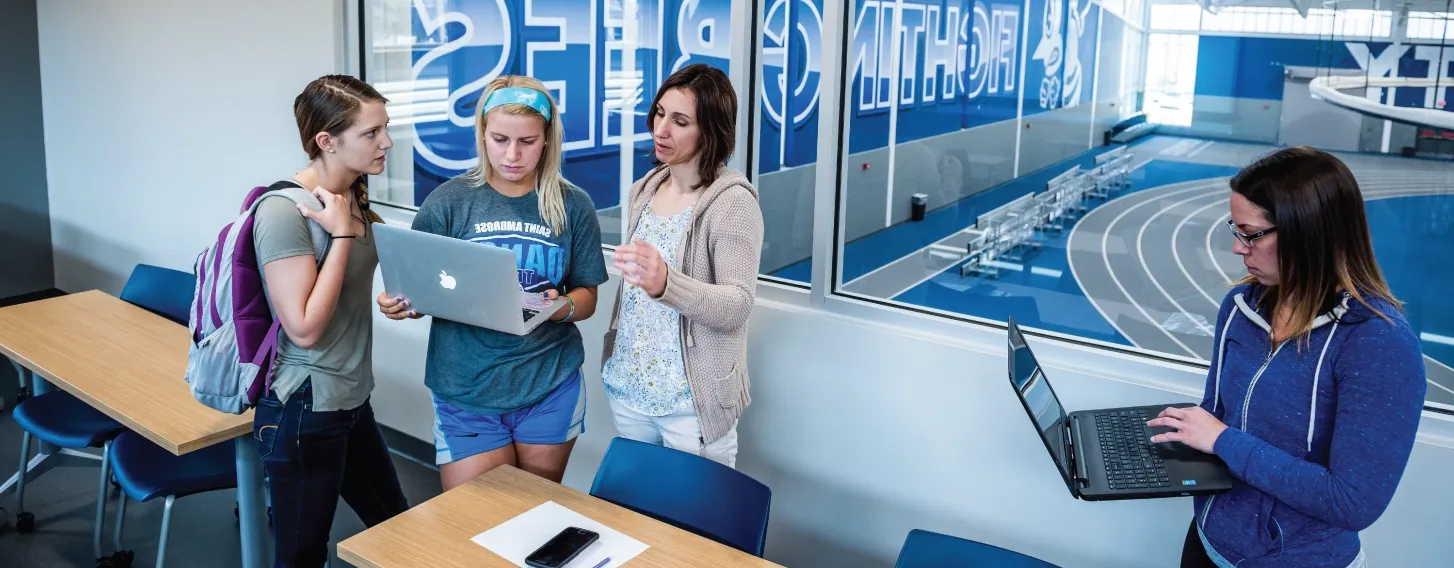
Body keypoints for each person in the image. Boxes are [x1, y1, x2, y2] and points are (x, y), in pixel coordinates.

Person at [1145, 147, 1426, 568]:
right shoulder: (1240, 306)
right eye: (1234, 230)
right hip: (1207, 544)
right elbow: (1216, 412)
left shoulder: (1378, 344)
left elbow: (1352, 503)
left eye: (1251, 233)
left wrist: (1222, 440)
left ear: (1307, 232)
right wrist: (1147, 453)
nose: (1239, 249)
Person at [377, 76, 607, 490]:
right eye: (500, 139)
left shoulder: (573, 205)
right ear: (482, 134)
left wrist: (562, 307)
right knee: (473, 523)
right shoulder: (448, 202)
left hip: (548, 383)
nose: (513, 155)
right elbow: (421, 288)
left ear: (547, 139)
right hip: (466, 388)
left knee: (537, 515)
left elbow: (587, 296)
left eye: (528, 141)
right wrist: (402, 303)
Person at [251, 74, 408, 568]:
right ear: (326, 141)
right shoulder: (284, 212)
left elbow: (362, 278)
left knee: (396, 524)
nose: (386, 142)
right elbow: (303, 328)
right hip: (304, 408)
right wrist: (340, 238)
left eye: (386, 128)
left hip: (349, 401)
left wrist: (404, 297)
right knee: (301, 555)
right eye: (371, 133)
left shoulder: (354, 196)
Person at [602, 63, 763, 468]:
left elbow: (737, 304)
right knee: (636, 520)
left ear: (710, 131)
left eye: (680, 121)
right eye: (659, 113)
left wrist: (666, 284)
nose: (661, 130)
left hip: (692, 404)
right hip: (630, 392)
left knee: (692, 528)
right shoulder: (644, 188)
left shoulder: (733, 201)